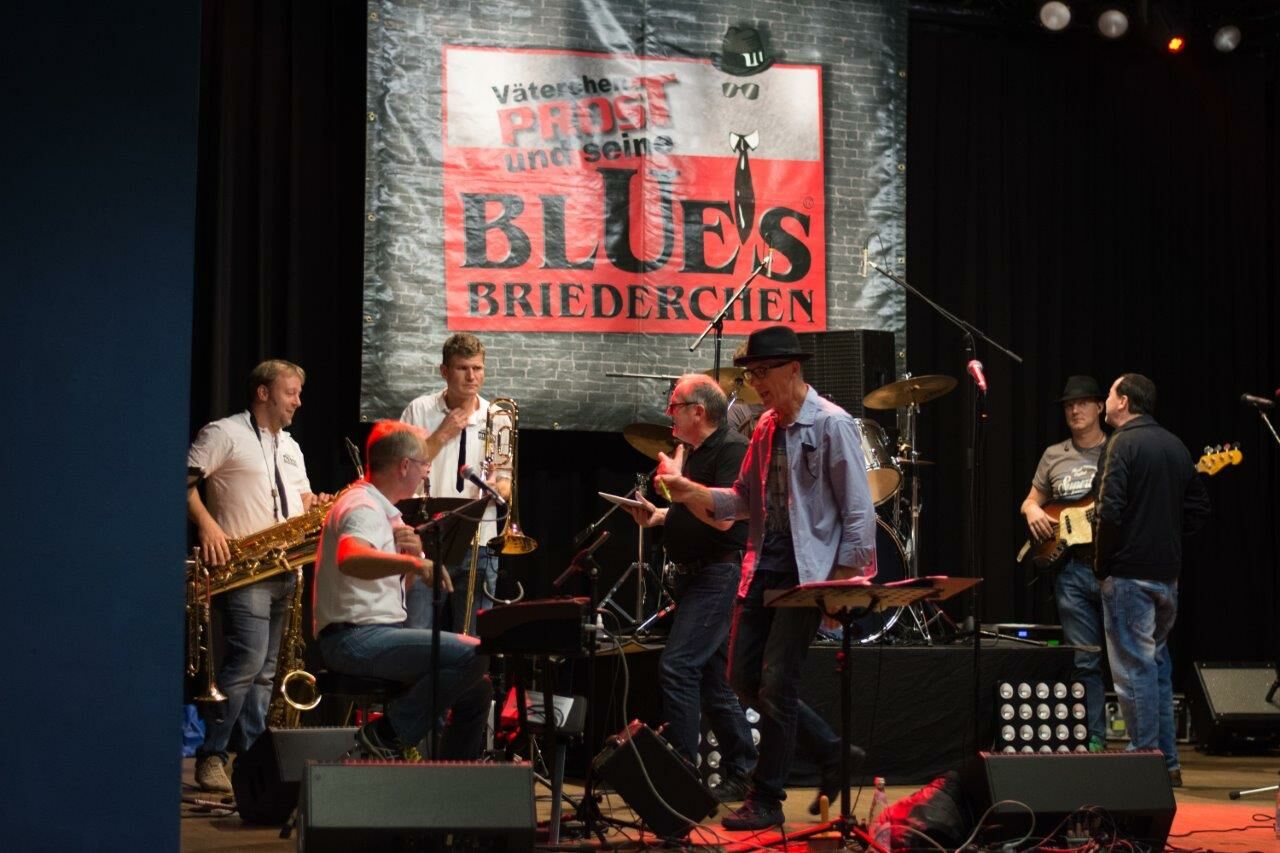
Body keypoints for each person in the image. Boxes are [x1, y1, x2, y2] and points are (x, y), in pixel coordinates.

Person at [657, 325, 877, 831]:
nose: (755, 383)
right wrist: (687, 490)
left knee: (777, 682)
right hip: (763, 568)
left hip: (807, 574)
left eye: (762, 372)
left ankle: (767, 797)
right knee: (741, 678)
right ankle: (833, 752)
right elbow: (741, 502)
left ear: (793, 369)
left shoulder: (832, 425)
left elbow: (859, 514)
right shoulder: (765, 429)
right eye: (751, 374)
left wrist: (840, 586)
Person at [186, 359, 329, 792]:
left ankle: (250, 763)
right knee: (248, 662)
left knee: (266, 673)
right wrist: (208, 527)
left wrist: (317, 504)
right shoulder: (223, 433)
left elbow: (301, 500)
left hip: (286, 568)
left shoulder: (291, 446)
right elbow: (183, 482)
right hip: (245, 570)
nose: (298, 402)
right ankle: (212, 755)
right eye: (291, 392)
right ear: (264, 392)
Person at [312, 420, 492, 760]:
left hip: (376, 635)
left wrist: (408, 557)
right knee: (474, 653)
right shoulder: (362, 506)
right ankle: (387, 735)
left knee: (477, 688)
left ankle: (451, 778)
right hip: (352, 640)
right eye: (424, 463)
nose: (427, 471)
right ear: (404, 465)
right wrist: (414, 564)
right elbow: (351, 559)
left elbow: (395, 589)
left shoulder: (386, 513)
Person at [622, 373, 756, 803]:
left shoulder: (733, 449)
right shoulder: (696, 452)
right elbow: (694, 509)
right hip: (696, 576)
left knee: (678, 667)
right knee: (713, 679)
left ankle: (681, 779)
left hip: (717, 574)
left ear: (698, 411)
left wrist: (678, 489)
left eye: (674, 406)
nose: (669, 414)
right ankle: (743, 768)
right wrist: (659, 515)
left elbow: (725, 519)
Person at [1095, 373, 1210, 787]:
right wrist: (1166, 539)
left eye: (1110, 394)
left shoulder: (1120, 444)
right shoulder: (1175, 445)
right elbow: (1199, 508)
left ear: (1124, 401)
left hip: (1129, 575)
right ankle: (1167, 764)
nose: (1105, 401)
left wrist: (1102, 563)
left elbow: (1108, 511)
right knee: (1156, 668)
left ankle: (1144, 763)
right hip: (1167, 577)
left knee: (1134, 672)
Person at [1019, 375, 1110, 752]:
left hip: (1111, 568)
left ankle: (1144, 746)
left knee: (1126, 661)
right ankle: (1094, 738)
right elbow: (1030, 500)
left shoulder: (1117, 450)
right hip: (1070, 571)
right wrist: (1032, 511)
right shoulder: (1054, 454)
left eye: (1083, 402)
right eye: (1069, 405)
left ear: (1100, 407)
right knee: (1084, 660)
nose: (1075, 410)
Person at [400, 333, 511, 634]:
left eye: (478, 368)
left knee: (473, 640)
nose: (472, 376)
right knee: (417, 635)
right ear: (444, 371)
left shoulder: (498, 416)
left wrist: (496, 487)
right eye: (463, 368)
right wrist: (441, 434)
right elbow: (402, 470)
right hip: (426, 541)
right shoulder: (419, 410)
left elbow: (505, 483)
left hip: (480, 542)